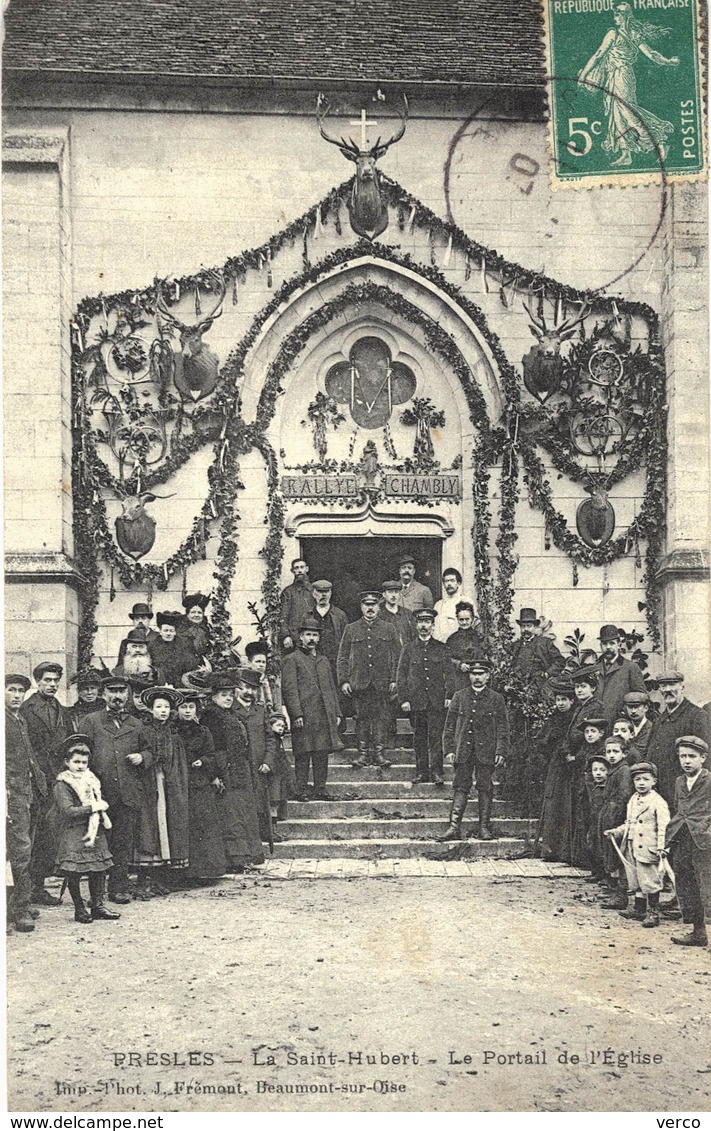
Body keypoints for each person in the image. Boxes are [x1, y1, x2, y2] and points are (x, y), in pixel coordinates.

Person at [578, 3, 679, 168]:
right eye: (615, 14)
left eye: (618, 14)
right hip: (614, 76)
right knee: (616, 115)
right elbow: (652, 54)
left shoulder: (616, 33)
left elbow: (598, 55)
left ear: (625, 15)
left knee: (628, 111)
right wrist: (668, 61)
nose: (615, 17)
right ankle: (626, 153)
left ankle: (659, 141)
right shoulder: (632, 34)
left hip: (622, 76)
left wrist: (583, 76)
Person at [81, 674, 153, 904]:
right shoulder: (91, 721)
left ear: (128, 695)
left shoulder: (136, 724)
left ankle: (118, 888)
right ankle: (97, 892)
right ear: (104, 695)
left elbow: (151, 751)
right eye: (112, 691)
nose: (117, 696)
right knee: (100, 843)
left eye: (122, 692)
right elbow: (79, 754)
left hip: (127, 793)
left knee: (123, 843)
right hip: (100, 794)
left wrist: (142, 757)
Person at [48, 734, 118, 924]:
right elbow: (68, 811)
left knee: (99, 868)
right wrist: (92, 808)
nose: (80, 766)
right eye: (76, 761)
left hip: (94, 829)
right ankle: (79, 909)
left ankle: (97, 905)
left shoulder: (91, 779)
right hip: (74, 830)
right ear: (67, 762)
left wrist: (98, 808)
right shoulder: (63, 784)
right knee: (75, 871)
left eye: (84, 762)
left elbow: (97, 799)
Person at [439, 656, 509, 841]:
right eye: (473, 674)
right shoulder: (459, 696)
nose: (477, 677)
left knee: (485, 787)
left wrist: (501, 751)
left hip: (486, 752)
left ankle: (484, 827)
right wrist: (449, 749)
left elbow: (503, 728)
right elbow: (449, 726)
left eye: (481, 674)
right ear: (469, 676)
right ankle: (454, 827)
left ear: (488, 676)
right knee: (461, 786)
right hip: (464, 751)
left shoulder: (496, 699)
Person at [200, 671, 264, 871]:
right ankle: (232, 859)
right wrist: (216, 775)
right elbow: (211, 750)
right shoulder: (210, 718)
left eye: (230, 695)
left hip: (239, 770)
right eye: (223, 695)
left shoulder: (232, 715)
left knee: (242, 812)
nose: (228, 698)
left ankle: (245, 856)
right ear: (213, 697)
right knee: (229, 815)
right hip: (224, 771)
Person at [21, 661, 71, 907]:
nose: (52, 684)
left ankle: (38, 886)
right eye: (47, 680)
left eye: (55, 680)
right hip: (36, 778)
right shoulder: (26, 709)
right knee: (34, 832)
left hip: (56, 778)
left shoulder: (61, 709)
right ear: (38, 681)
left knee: (48, 834)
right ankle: (26, 890)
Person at [337, 591, 400, 770]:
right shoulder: (351, 628)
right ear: (361, 607)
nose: (370, 608)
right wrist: (344, 681)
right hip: (359, 682)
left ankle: (379, 753)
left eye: (373, 604)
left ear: (378, 606)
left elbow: (398, 656)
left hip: (382, 682)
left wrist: (395, 679)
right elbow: (342, 657)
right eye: (366, 604)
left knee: (381, 718)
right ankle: (363, 753)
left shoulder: (389, 628)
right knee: (362, 718)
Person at [281, 617, 342, 802]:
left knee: (321, 752)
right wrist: (296, 714)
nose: (311, 639)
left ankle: (320, 788)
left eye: (315, 635)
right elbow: (289, 689)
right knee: (303, 752)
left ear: (319, 638)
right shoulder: (291, 659)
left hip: (323, 715)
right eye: (308, 634)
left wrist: (337, 713)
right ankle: (301, 789)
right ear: (300, 636)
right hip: (305, 715)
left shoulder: (323, 660)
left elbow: (331, 688)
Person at [136, 687, 190, 894]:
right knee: (149, 828)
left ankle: (159, 878)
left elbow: (177, 762)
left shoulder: (173, 734)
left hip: (168, 783)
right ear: (151, 709)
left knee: (166, 827)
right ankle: (142, 879)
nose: (163, 711)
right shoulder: (144, 730)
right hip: (149, 782)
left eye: (166, 707)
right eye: (159, 707)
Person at [604, 761, 670, 928]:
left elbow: (664, 827)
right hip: (632, 846)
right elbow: (629, 823)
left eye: (645, 779)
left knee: (650, 880)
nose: (641, 783)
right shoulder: (633, 799)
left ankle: (653, 913)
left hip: (649, 848)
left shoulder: (658, 802)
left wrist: (663, 847)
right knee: (636, 879)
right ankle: (639, 909)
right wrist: (617, 831)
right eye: (637, 779)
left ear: (654, 781)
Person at [5, 673, 46, 933]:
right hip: (11, 795)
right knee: (18, 850)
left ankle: (21, 900)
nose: (17, 695)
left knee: (25, 847)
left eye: (21, 690)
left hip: (28, 791)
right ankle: (17, 910)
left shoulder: (18, 719)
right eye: (11, 690)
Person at [396, 608, 453, 786]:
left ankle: (437, 772)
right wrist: (404, 699)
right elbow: (401, 676)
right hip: (416, 702)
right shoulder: (409, 649)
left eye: (427, 622)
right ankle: (421, 772)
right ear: (416, 625)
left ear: (433, 626)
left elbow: (449, 675)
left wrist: (449, 695)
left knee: (436, 737)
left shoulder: (441, 648)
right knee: (419, 738)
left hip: (436, 701)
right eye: (421, 622)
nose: (424, 626)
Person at [174, 691, 226, 884]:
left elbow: (212, 755)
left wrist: (203, 762)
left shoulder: (203, 731)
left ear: (196, 709)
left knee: (203, 826)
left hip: (199, 783)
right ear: (177, 709)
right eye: (183, 707)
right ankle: (182, 873)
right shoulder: (173, 731)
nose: (187, 711)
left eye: (191, 707)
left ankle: (205, 871)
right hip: (178, 783)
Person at [664, 736, 711, 948]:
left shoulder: (709, 781)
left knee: (707, 886)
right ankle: (698, 933)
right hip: (683, 839)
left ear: (703, 758)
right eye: (683, 756)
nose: (687, 761)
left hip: (704, 841)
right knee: (686, 884)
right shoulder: (679, 782)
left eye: (692, 756)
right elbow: (678, 809)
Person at [646, 671, 710, 809]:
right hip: (660, 794)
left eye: (672, 684)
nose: (668, 689)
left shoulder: (697, 716)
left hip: (686, 795)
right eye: (663, 686)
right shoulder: (659, 721)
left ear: (682, 688)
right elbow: (650, 755)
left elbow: (706, 759)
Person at [232, 667, 277, 842]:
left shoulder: (261, 711)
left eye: (254, 689)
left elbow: (270, 739)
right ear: (238, 688)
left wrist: (268, 761)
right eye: (246, 687)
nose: (249, 692)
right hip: (240, 765)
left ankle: (261, 835)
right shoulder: (232, 709)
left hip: (259, 765)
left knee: (259, 802)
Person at [534, 677, 576, 863]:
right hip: (554, 767)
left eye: (564, 700)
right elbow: (542, 741)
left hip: (567, 769)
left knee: (564, 806)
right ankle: (550, 850)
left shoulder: (573, 718)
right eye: (558, 700)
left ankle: (563, 850)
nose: (560, 704)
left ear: (571, 701)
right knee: (552, 806)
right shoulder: (553, 718)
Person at [597, 736, 635, 908]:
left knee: (619, 856)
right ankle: (615, 892)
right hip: (608, 813)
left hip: (616, 816)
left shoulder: (624, 771)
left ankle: (621, 896)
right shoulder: (613, 770)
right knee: (610, 854)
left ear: (624, 753)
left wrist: (615, 819)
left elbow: (624, 797)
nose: (611, 755)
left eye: (615, 751)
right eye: (608, 752)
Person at [595, 625, 646, 719]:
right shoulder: (594, 668)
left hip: (620, 724)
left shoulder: (630, 667)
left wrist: (624, 713)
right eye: (605, 644)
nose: (608, 647)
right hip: (596, 726)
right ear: (600, 646)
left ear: (618, 644)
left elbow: (641, 697)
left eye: (612, 643)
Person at [510, 609, 565, 687]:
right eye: (523, 626)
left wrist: (547, 674)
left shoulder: (545, 643)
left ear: (535, 627)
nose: (525, 629)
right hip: (519, 687)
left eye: (529, 626)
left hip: (540, 686)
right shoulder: (515, 646)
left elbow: (560, 661)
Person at [310, 580, 348, 685]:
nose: (323, 595)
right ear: (314, 594)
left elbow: (346, 643)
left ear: (330, 593)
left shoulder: (340, 616)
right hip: (314, 664)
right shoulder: (308, 615)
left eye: (326, 591)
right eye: (319, 591)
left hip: (334, 664)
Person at [266, 711, 297, 842]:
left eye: (283, 726)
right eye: (278, 725)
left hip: (279, 776)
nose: (281, 728)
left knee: (277, 803)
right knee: (273, 803)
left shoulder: (279, 740)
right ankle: (271, 831)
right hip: (273, 776)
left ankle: (274, 830)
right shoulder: (271, 741)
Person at [445, 601, 488, 693]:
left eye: (467, 619)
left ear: (472, 619)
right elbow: (446, 659)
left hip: (477, 679)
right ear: (457, 619)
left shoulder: (479, 637)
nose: (464, 622)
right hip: (459, 680)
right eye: (461, 619)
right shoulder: (452, 639)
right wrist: (459, 664)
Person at [147, 612, 197, 688]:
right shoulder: (152, 646)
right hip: (159, 685)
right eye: (165, 630)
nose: (168, 633)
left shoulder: (182, 645)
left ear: (175, 632)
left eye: (171, 631)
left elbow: (189, 666)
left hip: (179, 685)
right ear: (160, 632)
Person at [279, 558, 315, 652]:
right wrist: (286, 636)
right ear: (293, 571)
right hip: (294, 637)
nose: (299, 570)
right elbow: (283, 615)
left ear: (307, 569)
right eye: (296, 568)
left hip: (312, 636)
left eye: (302, 567)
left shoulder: (314, 591)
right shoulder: (288, 592)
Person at [433, 568, 475, 643]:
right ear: (443, 584)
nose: (449, 584)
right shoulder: (438, 605)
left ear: (458, 583)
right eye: (446, 581)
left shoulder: (466, 601)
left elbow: (473, 625)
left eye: (452, 581)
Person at [587, 755, 610, 884]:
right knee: (592, 846)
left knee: (603, 849)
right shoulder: (594, 787)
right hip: (594, 822)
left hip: (603, 822)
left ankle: (607, 876)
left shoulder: (607, 788)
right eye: (595, 770)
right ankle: (598, 873)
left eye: (602, 770)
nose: (598, 773)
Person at [379, 581, 415, 651]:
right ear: (384, 594)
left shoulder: (408, 614)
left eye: (396, 592)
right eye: (390, 592)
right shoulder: (379, 615)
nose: (393, 595)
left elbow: (414, 637)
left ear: (399, 595)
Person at [178, 593, 212, 661]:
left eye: (199, 613)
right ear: (187, 615)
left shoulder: (205, 629)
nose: (196, 615)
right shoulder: (181, 630)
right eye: (193, 612)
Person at [244, 641, 276, 710]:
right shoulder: (245, 680)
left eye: (263, 662)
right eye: (257, 661)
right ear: (249, 663)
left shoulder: (266, 680)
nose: (261, 665)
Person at [623, 690, 653, 755]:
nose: (633, 711)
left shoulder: (652, 729)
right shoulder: (624, 728)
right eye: (630, 707)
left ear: (646, 708)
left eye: (637, 707)